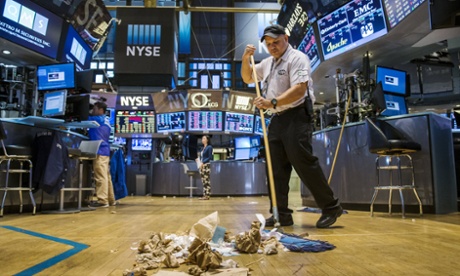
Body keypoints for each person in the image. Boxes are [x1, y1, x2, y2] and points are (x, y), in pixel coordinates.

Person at [241, 24, 342, 228]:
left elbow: (299, 90)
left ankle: (331, 207)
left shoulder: (298, 58)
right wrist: (245, 59)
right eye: (268, 44)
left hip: (297, 115)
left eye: (276, 42)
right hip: (277, 119)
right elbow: (247, 77)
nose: (272, 47)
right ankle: (281, 214)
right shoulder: (268, 62)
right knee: (275, 167)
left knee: (303, 163)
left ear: (286, 38)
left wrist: (272, 102)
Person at [88, 101, 116, 208]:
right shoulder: (106, 119)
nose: (92, 111)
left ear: (101, 110)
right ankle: (110, 199)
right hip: (105, 150)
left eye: (94, 109)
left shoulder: (97, 119)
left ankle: (102, 200)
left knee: (100, 177)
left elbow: (81, 118)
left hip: (99, 150)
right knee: (106, 176)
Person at [198, 135, 213, 200]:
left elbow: (210, 157)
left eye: (204, 138)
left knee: (207, 181)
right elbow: (202, 157)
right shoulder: (202, 148)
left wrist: (203, 162)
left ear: (207, 140)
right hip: (202, 165)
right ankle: (204, 195)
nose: (202, 139)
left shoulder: (209, 147)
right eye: (202, 138)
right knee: (203, 181)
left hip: (206, 165)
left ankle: (207, 195)